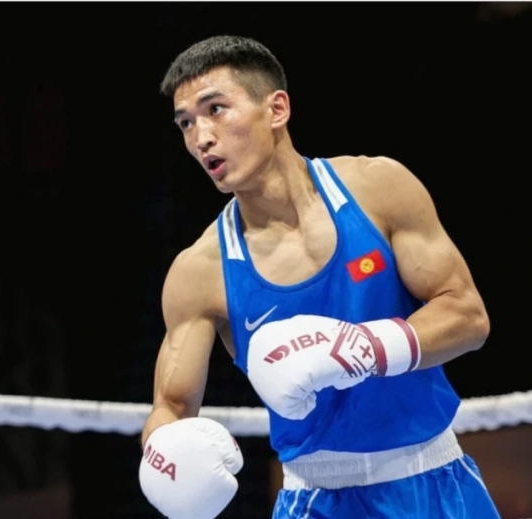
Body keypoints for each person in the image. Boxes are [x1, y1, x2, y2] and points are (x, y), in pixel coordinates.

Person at [137, 35, 498, 519]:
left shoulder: (378, 189)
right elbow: (171, 405)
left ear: (277, 109)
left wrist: (364, 349)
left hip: (436, 481)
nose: (201, 137)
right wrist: (164, 456)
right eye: (186, 123)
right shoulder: (200, 271)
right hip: (316, 501)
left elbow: (468, 317)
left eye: (215, 109)